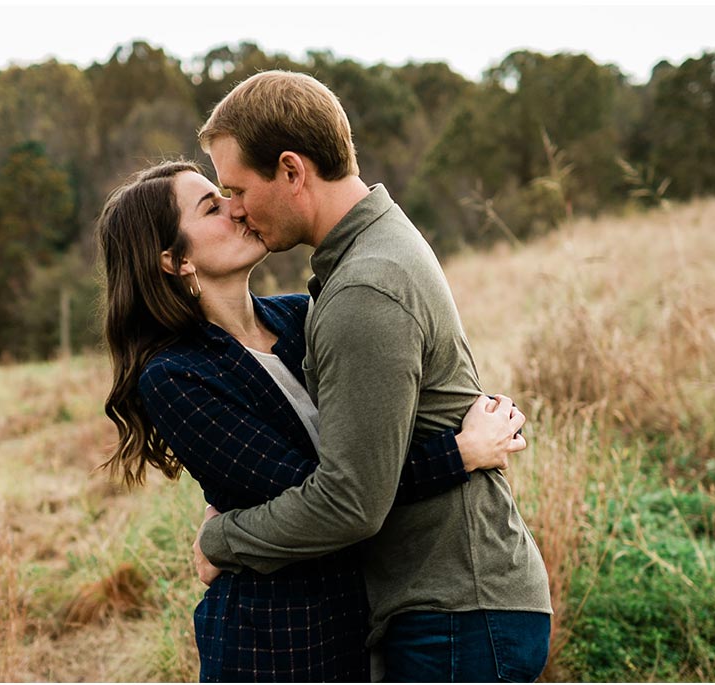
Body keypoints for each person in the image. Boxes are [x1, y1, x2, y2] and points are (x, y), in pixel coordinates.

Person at [98, 160, 529, 681]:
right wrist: (457, 455)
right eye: (212, 206)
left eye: (229, 193)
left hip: (366, 616)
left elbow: (378, 435)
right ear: (175, 260)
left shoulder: (302, 313)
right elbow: (336, 495)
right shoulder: (176, 377)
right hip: (275, 639)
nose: (237, 208)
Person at [192, 71, 553, 682]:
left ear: (291, 170)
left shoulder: (365, 287)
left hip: (455, 617)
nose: (234, 209)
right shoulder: (371, 252)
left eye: (237, 188)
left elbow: (350, 501)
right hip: (448, 610)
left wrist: (221, 541)